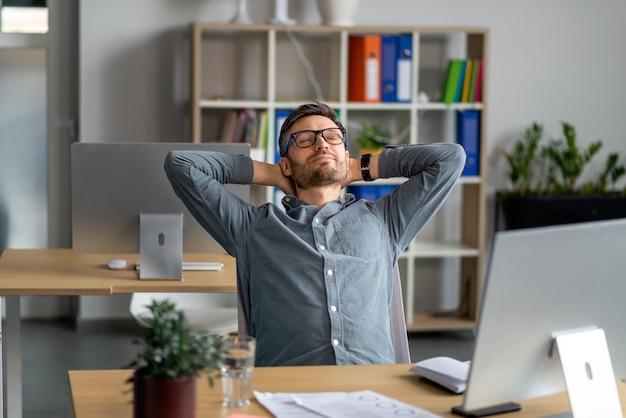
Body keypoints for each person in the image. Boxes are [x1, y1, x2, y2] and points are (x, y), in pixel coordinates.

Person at [164, 100, 466, 367]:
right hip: (288, 397)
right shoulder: (252, 228)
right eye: (304, 140)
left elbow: (449, 158)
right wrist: (272, 173)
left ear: (345, 154)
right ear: (286, 162)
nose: (321, 144)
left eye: (332, 137)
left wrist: (364, 167)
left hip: (374, 394)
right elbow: (181, 165)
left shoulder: (385, 220)